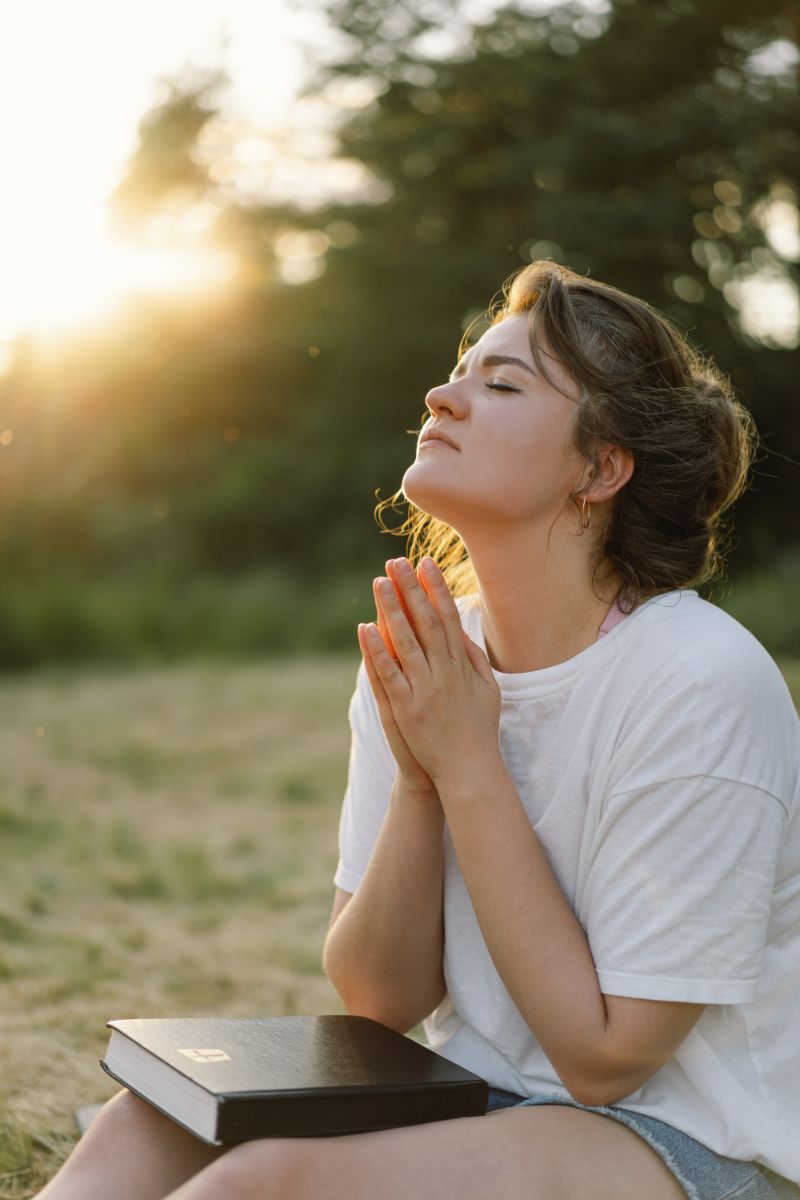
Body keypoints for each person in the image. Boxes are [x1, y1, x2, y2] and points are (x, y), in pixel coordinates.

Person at [36, 261, 800, 1200]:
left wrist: (469, 762)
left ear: (599, 470)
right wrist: (420, 780)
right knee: (148, 1119)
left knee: (267, 1181)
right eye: (461, 370)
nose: (443, 394)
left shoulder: (697, 680)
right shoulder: (432, 654)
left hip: (686, 1145)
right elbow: (380, 999)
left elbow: (608, 1061)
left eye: (503, 383)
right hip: (482, 1100)